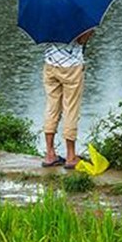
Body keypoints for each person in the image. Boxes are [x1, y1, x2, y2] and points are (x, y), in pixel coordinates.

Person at [41, 28, 94, 169]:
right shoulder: (77, 14)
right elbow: (81, 40)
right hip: (71, 67)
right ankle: (71, 156)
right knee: (71, 109)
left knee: (51, 108)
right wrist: (90, 31)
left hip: (50, 64)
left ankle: (50, 154)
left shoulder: (46, 12)